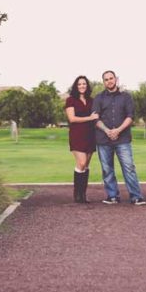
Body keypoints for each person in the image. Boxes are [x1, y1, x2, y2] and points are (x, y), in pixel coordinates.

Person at [91, 70, 146, 205]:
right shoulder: (98, 98)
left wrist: (118, 130)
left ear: (116, 79)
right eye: (106, 79)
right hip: (104, 139)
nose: (109, 81)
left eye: (111, 78)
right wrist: (107, 130)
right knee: (107, 169)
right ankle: (112, 196)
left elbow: (130, 117)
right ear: (103, 82)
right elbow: (95, 118)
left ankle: (136, 196)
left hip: (123, 139)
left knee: (129, 167)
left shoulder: (126, 97)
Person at [65, 75, 98, 203]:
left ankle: (82, 195)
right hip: (77, 135)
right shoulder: (70, 100)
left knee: (86, 165)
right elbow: (72, 119)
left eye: (84, 84)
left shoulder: (91, 100)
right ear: (76, 86)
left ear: (87, 86)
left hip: (90, 135)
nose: (82, 86)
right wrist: (90, 118)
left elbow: (97, 116)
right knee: (82, 163)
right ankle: (76, 193)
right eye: (79, 84)